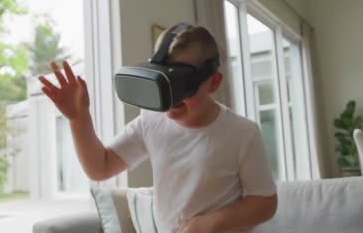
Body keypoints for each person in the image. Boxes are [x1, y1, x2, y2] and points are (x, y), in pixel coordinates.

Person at [38, 24, 278, 233]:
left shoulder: (242, 133)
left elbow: (265, 202)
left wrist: (210, 224)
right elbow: (101, 167)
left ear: (213, 82)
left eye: (183, 85)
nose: (171, 99)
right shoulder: (152, 120)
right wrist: (78, 119)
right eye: (164, 81)